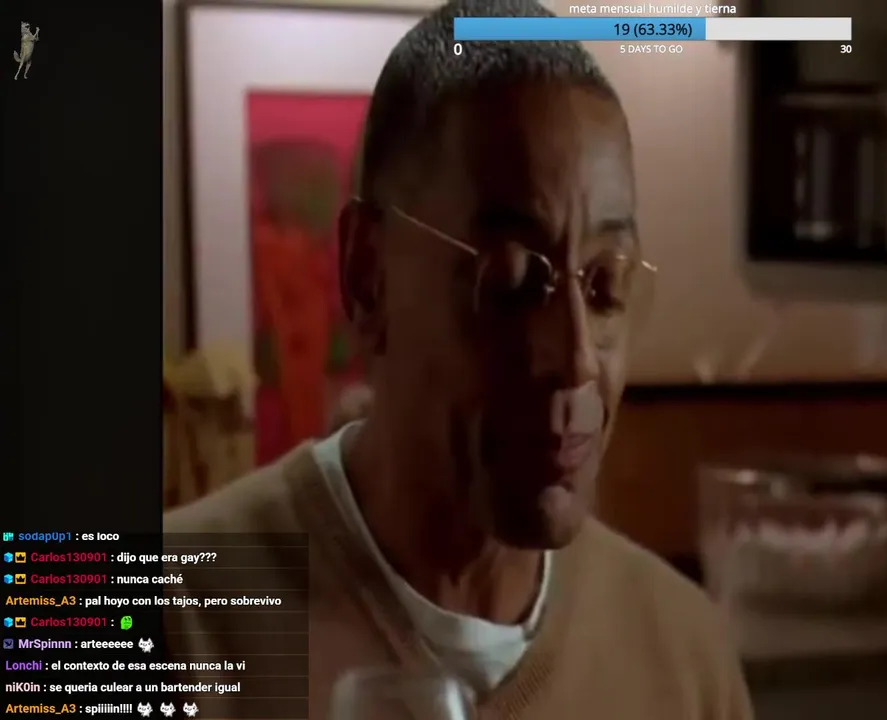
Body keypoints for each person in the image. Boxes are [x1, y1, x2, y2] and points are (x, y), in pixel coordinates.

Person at [163, 2, 754, 718]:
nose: (575, 360)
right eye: (511, 282)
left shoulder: (683, 659)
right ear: (367, 276)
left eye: (604, 286)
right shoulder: (167, 617)